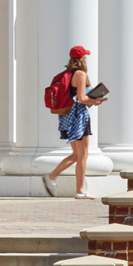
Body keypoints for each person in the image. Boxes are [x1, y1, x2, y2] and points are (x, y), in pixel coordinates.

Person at [44, 46, 107, 198]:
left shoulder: (67, 73)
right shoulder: (80, 74)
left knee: (76, 155)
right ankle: (79, 191)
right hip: (78, 116)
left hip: (68, 116)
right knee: (83, 155)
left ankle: (51, 176)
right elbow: (81, 99)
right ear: (82, 59)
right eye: (86, 57)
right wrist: (96, 100)